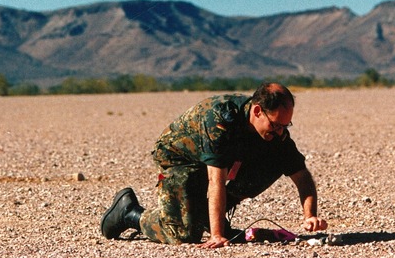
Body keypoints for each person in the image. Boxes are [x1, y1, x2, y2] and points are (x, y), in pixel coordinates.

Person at [99, 82, 327, 248]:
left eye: (285, 125)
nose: (280, 132)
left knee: (275, 161)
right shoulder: (220, 120)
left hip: (216, 161)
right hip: (180, 159)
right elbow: (215, 180)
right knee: (184, 234)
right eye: (276, 125)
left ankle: (204, 216)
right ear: (257, 111)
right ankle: (129, 213)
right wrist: (217, 236)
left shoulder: (276, 134)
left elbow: (302, 176)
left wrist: (310, 216)